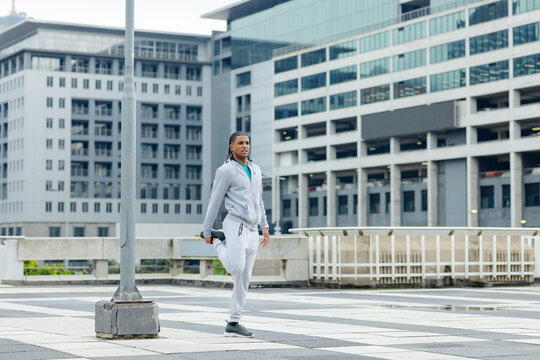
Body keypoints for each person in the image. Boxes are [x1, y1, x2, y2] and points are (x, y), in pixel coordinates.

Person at [202, 131, 270, 338]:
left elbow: (259, 201)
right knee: (235, 267)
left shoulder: (255, 169)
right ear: (231, 146)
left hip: (252, 229)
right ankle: (217, 239)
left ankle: (233, 322)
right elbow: (215, 200)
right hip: (235, 225)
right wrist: (207, 230)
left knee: (244, 278)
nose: (245, 146)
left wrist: (264, 226)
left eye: (247, 142)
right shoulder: (226, 171)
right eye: (240, 143)